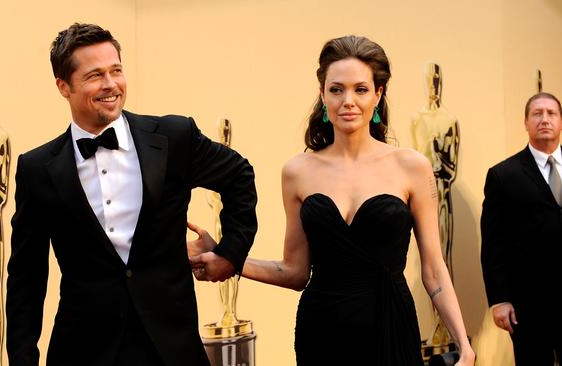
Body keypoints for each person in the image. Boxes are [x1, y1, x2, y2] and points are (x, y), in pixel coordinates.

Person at [189, 35, 474, 365]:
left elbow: (434, 269)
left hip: (390, 326)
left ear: (378, 95)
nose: (347, 100)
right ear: (323, 95)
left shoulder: (411, 166)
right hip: (321, 330)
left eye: (361, 89)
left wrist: (463, 344)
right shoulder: (297, 171)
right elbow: (294, 272)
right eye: (336, 89)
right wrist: (228, 257)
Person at [6, 23, 257, 366]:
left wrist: (231, 253)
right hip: (83, 351)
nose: (110, 85)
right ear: (63, 86)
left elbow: (238, 175)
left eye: (116, 71)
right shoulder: (37, 168)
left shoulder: (173, 136)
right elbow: (26, 278)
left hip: (171, 348)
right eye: (95, 75)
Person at [481, 92, 562, 365]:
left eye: (551, 113)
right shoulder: (503, 175)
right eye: (537, 113)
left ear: (561, 121)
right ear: (526, 123)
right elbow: (493, 244)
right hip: (529, 302)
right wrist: (500, 299)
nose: (545, 119)